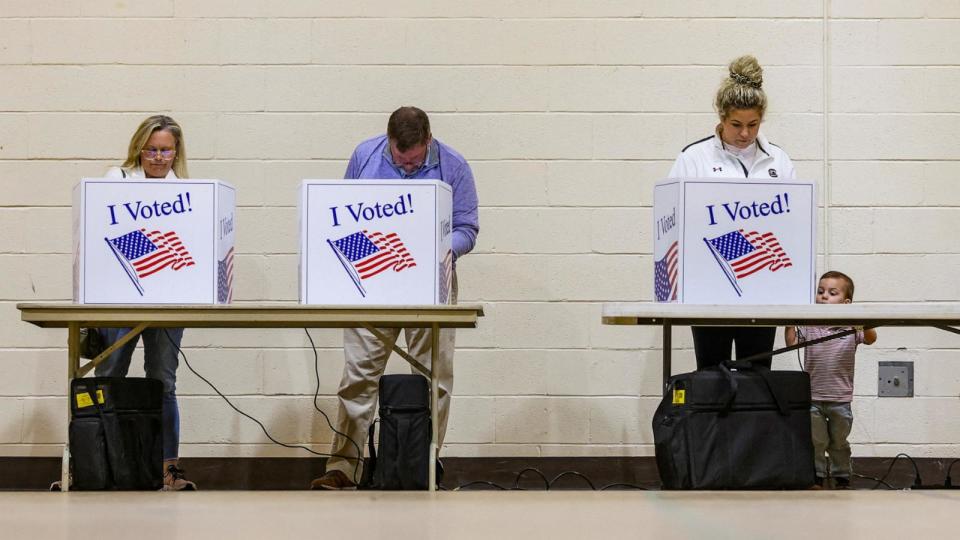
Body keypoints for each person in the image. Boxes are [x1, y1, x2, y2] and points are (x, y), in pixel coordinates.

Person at [311, 106, 480, 490]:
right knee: (358, 376)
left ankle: (423, 464)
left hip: (432, 284)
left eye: (415, 161)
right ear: (388, 142)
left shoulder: (454, 166)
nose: (406, 168)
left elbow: (468, 228)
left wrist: (438, 248)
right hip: (373, 283)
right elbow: (341, 214)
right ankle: (343, 467)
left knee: (434, 378)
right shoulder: (364, 156)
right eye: (400, 160)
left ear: (429, 142)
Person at [668, 54, 796, 369]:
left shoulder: (778, 161)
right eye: (736, 124)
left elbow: (792, 225)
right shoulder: (693, 158)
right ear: (722, 118)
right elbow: (675, 222)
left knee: (758, 377)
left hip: (763, 289)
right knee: (713, 375)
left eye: (753, 125)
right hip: (710, 289)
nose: (744, 134)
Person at [95, 115, 196, 491]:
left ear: (176, 151)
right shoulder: (116, 179)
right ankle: (99, 462)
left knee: (163, 383)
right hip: (119, 299)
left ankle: (168, 468)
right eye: (151, 149)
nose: (157, 157)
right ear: (139, 148)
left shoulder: (186, 192)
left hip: (168, 301)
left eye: (165, 150)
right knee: (109, 377)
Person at [785, 271, 876, 489]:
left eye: (832, 293)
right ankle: (815, 475)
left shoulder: (851, 328)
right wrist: (789, 322)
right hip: (813, 397)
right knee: (816, 441)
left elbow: (871, 338)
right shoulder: (810, 326)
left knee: (838, 442)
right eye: (820, 291)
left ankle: (841, 475)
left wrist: (861, 319)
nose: (824, 296)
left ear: (846, 302)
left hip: (840, 399)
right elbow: (792, 343)